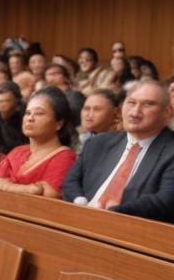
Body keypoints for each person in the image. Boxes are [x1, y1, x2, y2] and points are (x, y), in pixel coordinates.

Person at [62, 81, 174, 222]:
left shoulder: (170, 150)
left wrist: (114, 212)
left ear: (167, 112)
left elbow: (167, 200)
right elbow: (70, 181)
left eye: (147, 104)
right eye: (131, 103)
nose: (135, 112)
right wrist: (80, 202)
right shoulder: (98, 142)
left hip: (131, 231)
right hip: (80, 219)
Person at [0, 87, 77, 198]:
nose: (30, 118)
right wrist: (30, 189)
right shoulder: (17, 151)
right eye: (27, 113)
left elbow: (48, 198)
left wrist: (3, 186)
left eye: (39, 113)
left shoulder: (64, 157)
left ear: (59, 124)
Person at [77, 89, 120, 154]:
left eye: (97, 109)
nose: (89, 114)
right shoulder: (86, 141)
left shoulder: (121, 144)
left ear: (115, 112)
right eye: (86, 108)